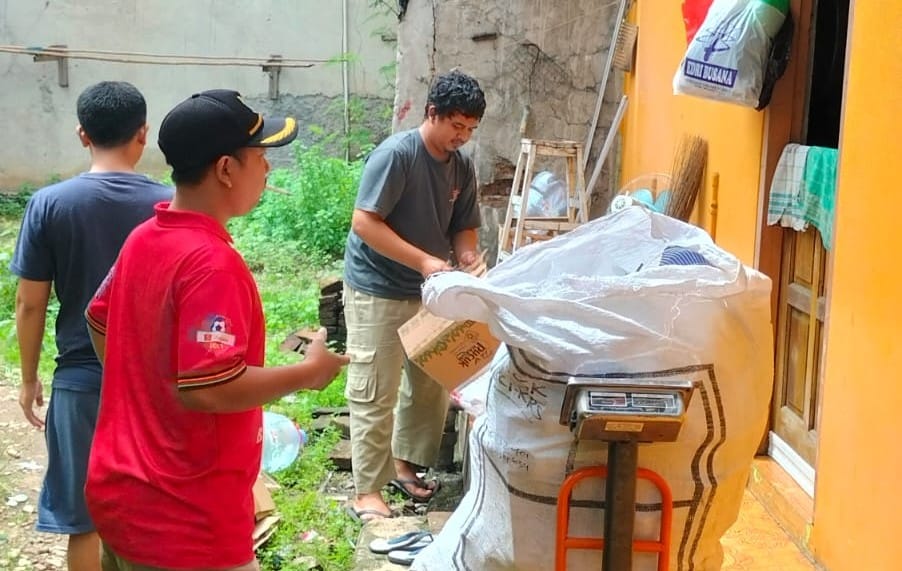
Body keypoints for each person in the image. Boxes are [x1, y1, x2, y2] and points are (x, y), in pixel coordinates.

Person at [83, 89, 349, 571]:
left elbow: (97, 318)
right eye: (260, 157)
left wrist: (147, 394)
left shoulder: (144, 238)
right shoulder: (212, 264)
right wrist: (310, 372)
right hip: (185, 522)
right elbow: (211, 387)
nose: (267, 169)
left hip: (122, 497)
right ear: (226, 169)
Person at [9, 80, 172, 571]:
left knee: (84, 518)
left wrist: (28, 377)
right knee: (156, 511)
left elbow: (30, 304)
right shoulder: (168, 205)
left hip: (81, 381)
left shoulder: (50, 204)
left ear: (83, 135)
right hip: (155, 386)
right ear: (143, 134)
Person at [343, 70, 486, 521]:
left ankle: (403, 463)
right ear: (432, 114)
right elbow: (364, 223)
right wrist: (425, 261)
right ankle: (366, 490)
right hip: (378, 288)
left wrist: (466, 256)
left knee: (430, 382)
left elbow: (464, 224)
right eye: (456, 126)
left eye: (470, 130)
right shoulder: (397, 155)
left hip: (431, 288)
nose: (462, 137)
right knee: (376, 389)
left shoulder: (461, 165)